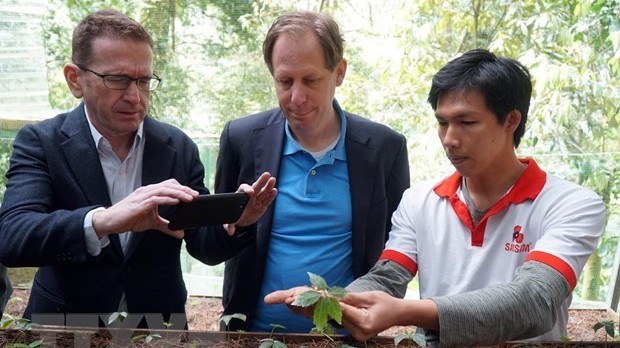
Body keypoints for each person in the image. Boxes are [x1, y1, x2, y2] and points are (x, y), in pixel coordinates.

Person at [266, 48, 606, 346]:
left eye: (466, 122)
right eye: (442, 123)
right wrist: (334, 299)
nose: (450, 139)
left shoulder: (570, 205)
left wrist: (407, 311)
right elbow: (387, 278)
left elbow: (534, 301)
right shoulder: (420, 202)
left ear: (511, 121)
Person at [0, 9, 276, 329]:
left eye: (144, 80)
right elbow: (12, 236)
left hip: (157, 326)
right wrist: (102, 221)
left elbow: (203, 246)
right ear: (75, 79)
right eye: (118, 79)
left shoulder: (177, 147)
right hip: (65, 324)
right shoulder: (41, 142)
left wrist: (237, 223)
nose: (135, 96)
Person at [209, 10, 410, 332]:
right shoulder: (242, 139)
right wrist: (239, 224)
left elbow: (398, 250)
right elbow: (209, 247)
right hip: (254, 333)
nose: (297, 97)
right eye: (284, 81)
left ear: (339, 72)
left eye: (311, 80)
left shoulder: (384, 148)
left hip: (348, 336)